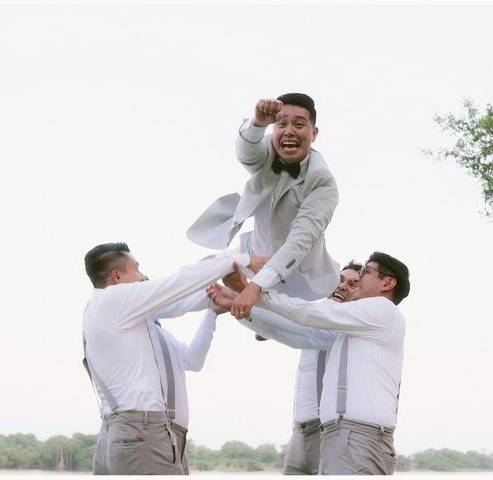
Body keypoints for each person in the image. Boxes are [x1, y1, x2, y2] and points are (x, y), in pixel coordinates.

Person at [213, 251, 410, 475]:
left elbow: (313, 313)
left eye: (365, 272)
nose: (358, 279)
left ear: (388, 283)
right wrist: (242, 300)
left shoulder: (383, 310)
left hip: (357, 436)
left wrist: (254, 290)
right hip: (342, 436)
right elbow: (298, 332)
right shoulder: (357, 327)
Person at [82, 242, 263, 475]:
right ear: (116, 276)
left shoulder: (117, 315)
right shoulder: (113, 300)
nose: (143, 275)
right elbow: (177, 285)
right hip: (143, 431)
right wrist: (241, 260)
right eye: (136, 268)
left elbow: (179, 303)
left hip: (126, 432)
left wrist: (219, 300)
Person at [187, 93, 339, 320]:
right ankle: (157, 306)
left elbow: (301, 239)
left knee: (271, 321)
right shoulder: (268, 149)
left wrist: (255, 286)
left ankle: (259, 310)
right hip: (256, 251)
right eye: (282, 124)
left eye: (299, 124)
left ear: (314, 133)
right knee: (203, 268)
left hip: (298, 275)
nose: (289, 131)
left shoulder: (323, 182)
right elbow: (246, 153)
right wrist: (257, 123)